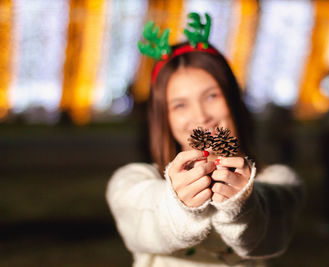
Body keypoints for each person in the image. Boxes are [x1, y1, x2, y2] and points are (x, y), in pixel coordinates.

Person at [106, 13, 303, 267]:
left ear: (233, 99)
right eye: (180, 105)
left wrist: (241, 202)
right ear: (163, 119)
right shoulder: (131, 182)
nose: (200, 116)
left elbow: (267, 232)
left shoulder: (279, 182)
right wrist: (177, 204)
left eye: (212, 96)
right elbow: (145, 215)